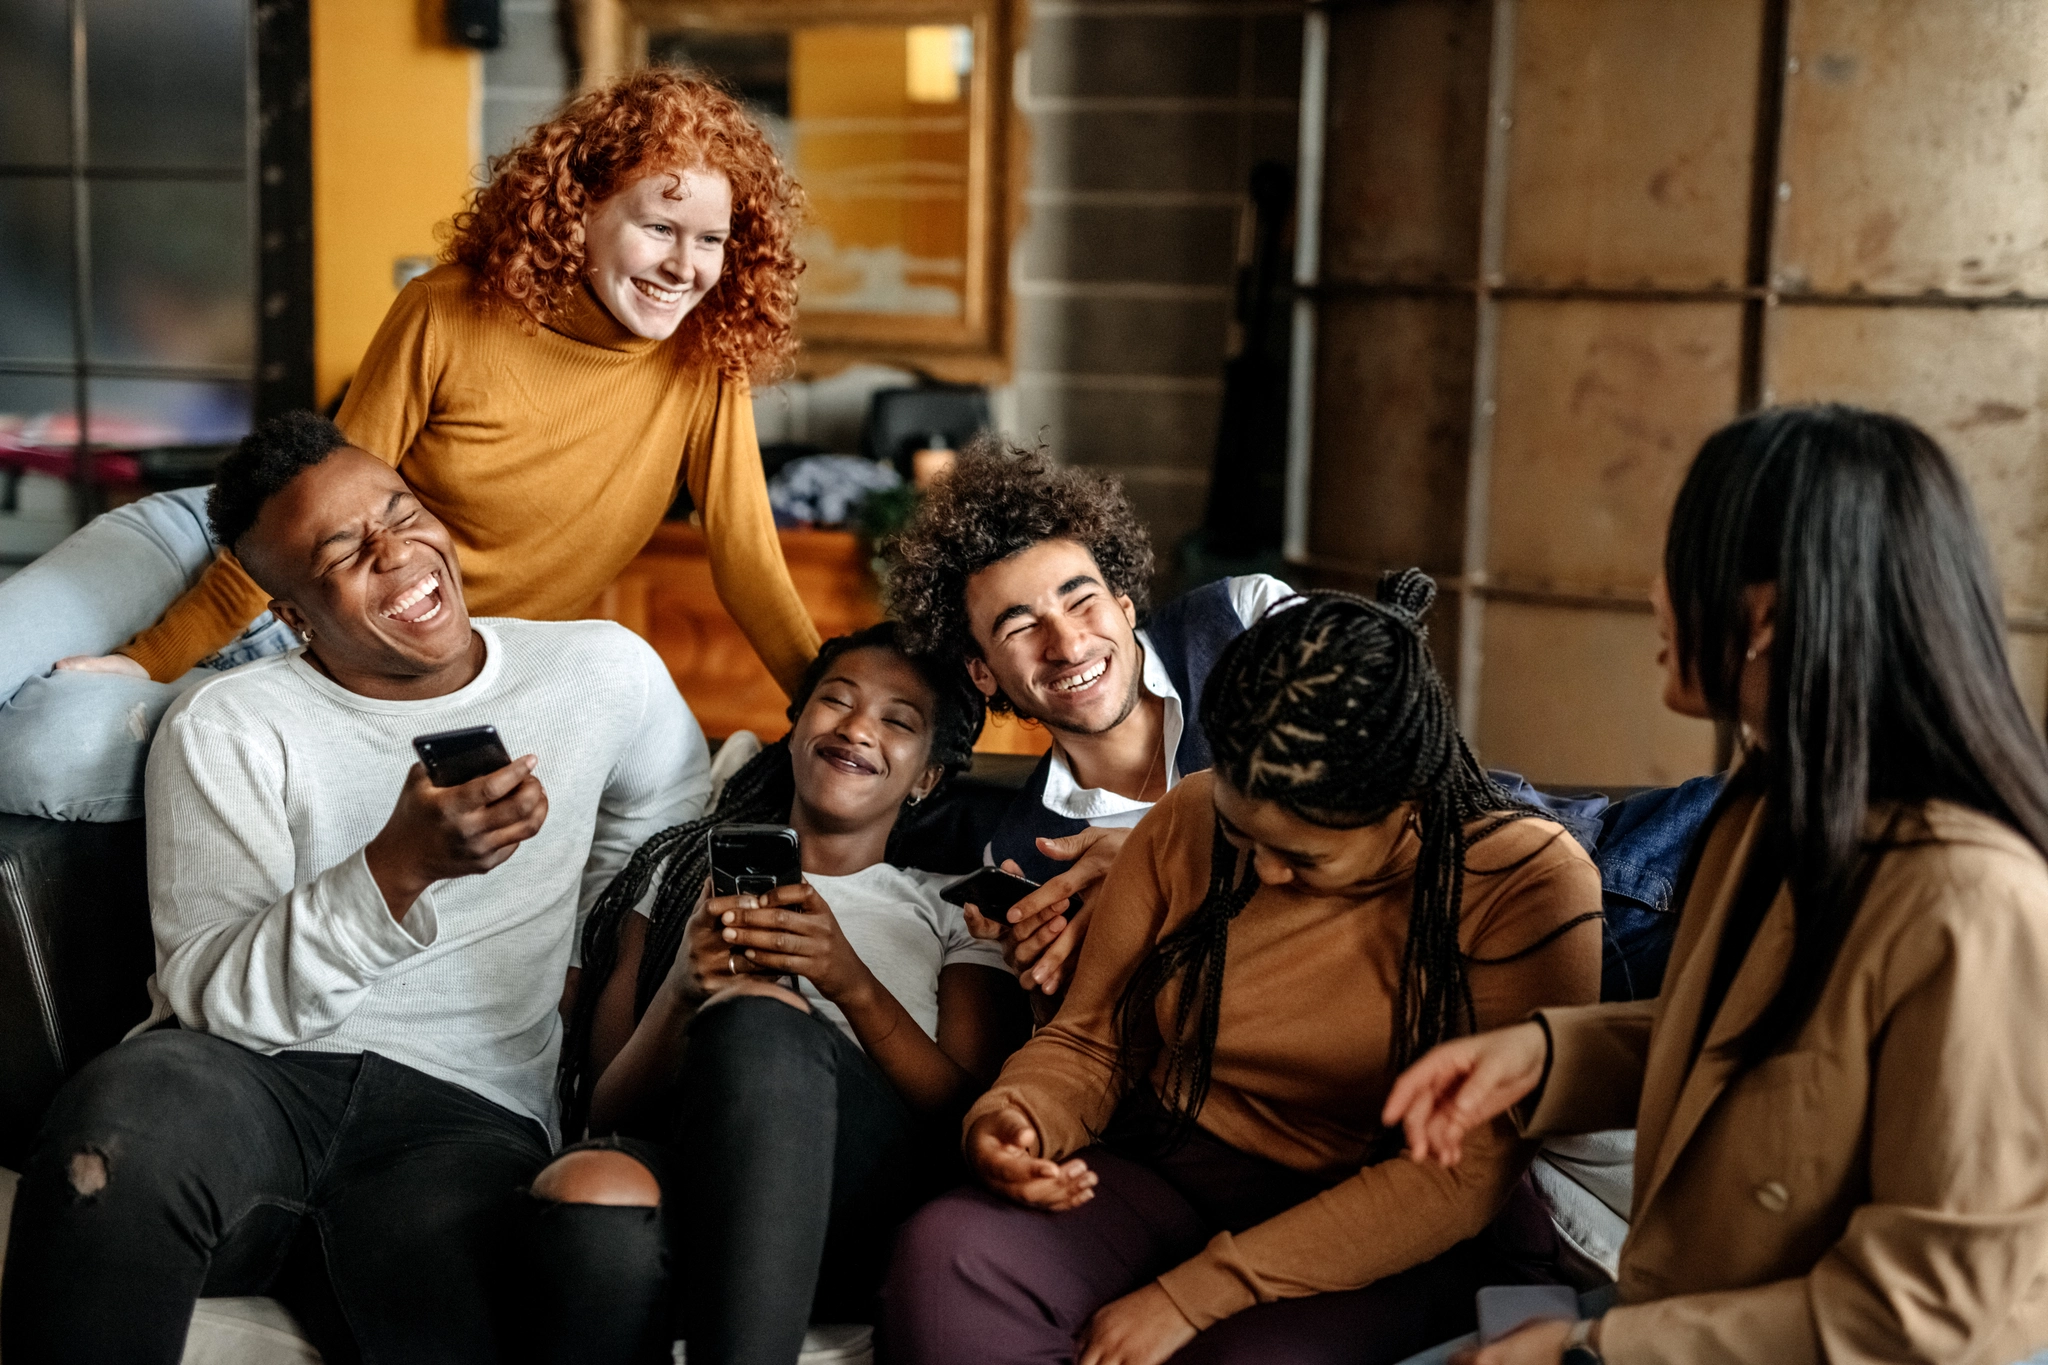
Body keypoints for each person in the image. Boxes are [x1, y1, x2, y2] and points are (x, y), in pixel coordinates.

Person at [0, 412, 711, 1364]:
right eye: (345, 550)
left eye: (402, 512)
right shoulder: (232, 723)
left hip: (466, 1117)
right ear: (292, 615)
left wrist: (587, 960)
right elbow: (214, 996)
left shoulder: (600, 672)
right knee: (119, 1132)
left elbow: (661, 832)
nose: (400, 553)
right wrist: (396, 868)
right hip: (247, 1083)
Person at [1382, 405, 2048, 1365]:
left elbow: (1923, 1313)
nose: (1653, 591)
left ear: (1766, 613)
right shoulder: (1773, 795)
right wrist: (1541, 1056)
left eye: (1679, 556)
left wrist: (1594, 1352)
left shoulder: (1971, 903)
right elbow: (1765, 1046)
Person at [0, 68, 815, 822]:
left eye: (712, 239)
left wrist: (834, 707)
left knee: (47, 753)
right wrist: (154, 657)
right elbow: (317, 511)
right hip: (225, 547)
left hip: (372, 648)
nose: (686, 266)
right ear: (581, 211)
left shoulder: (704, 363)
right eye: (660, 226)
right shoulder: (447, 311)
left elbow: (749, 561)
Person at [882, 574, 1605, 1365]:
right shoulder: (1190, 816)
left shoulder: (1524, 878)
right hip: (1173, 1165)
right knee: (947, 1253)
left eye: (1299, 857)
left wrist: (1194, 1294)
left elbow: (1462, 1177)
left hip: (1390, 1216)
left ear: (1406, 802)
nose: (1259, 870)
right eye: (1241, 834)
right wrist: (1020, 1116)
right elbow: (1091, 1042)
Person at [521, 622, 1019, 1365]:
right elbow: (604, 1109)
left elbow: (963, 1111)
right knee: (591, 1182)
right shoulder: (679, 878)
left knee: (761, 1019)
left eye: (896, 720)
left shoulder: (954, 914)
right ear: (794, 728)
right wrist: (683, 993)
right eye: (836, 701)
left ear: (927, 778)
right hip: (694, 1160)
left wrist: (849, 982)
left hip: (857, 1200)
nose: (856, 727)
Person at [884, 441, 1293, 1010]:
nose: (1069, 644)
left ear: (1124, 605)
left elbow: (1376, 806)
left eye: (1081, 601)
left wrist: (1151, 865)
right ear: (983, 673)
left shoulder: (1248, 625)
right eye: (1020, 626)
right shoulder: (1021, 857)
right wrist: (1052, 987)